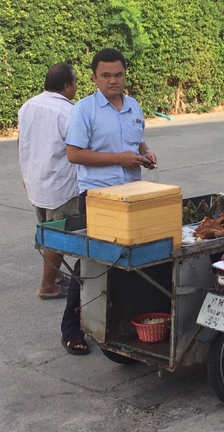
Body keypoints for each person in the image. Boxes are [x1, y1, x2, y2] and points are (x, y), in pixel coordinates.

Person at [61, 48, 157, 355]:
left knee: (128, 261)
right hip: (98, 196)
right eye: (106, 76)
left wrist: (146, 153)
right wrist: (121, 159)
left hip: (133, 194)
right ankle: (72, 327)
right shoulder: (85, 110)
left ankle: (116, 322)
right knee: (92, 261)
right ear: (94, 78)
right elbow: (74, 154)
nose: (113, 81)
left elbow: (136, 140)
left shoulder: (134, 106)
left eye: (118, 75)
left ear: (125, 75)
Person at [18, 63, 79, 300]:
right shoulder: (69, 112)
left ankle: (54, 276)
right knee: (57, 236)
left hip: (35, 180)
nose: (76, 87)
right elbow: (77, 148)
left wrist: (25, 173)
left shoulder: (28, 105)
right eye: (75, 83)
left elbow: (21, 141)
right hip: (59, 185)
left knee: (46, 231)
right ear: (66, 85)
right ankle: (47, 286)